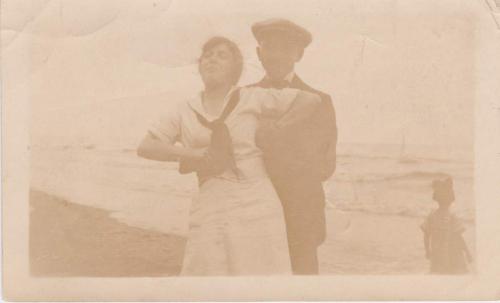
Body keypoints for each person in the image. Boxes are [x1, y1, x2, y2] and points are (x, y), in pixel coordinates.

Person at [137, 36, 322, 275]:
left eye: (221, 55)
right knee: (206, 272)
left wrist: (278, 128)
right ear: (200, 66)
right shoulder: (184, 109)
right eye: (208, 55)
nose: (212, 59)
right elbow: (146, 146)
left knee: (260, 277)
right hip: (210, 199)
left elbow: (310, 100)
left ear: (235, 68)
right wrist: (191, 153)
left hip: (256, 199)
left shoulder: (251, 96)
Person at [249, 18, 338, 274]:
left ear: (298, 54)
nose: (276, 55)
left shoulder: (320, 101)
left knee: (302, 285)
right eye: (269, 47)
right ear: (258, 53)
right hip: (251, 211)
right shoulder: (241, 96)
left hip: (300, 214)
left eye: (285, 48)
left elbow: (325, 166)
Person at [421, 177, 473, 274]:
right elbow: (459, 237)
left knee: (438, 275)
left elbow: (426, 235)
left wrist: (427, 251)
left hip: (437, 253)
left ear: (437, 199)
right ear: (451, 200)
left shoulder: (431, 216)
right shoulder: (452, 216)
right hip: (452, 253)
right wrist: (467, 252)